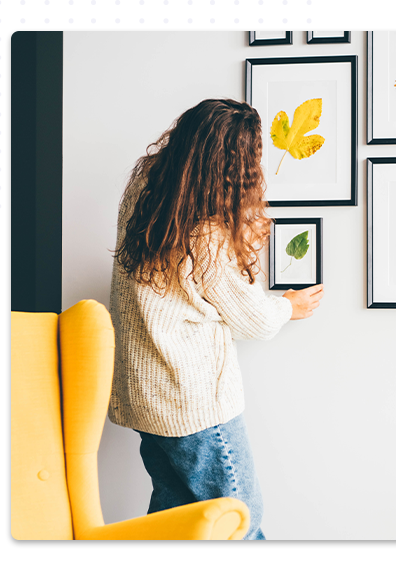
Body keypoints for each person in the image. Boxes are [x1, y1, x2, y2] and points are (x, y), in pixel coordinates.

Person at [107, 98, 324, 540]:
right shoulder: (205, 231)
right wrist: (289, 306)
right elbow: (253, 320)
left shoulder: (145, 188)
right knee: (240, 520)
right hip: (193, 406)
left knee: (175, 523)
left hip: (143, 397)